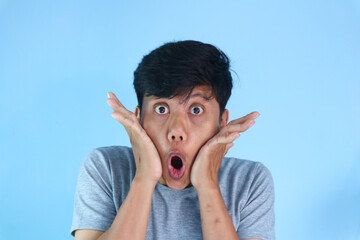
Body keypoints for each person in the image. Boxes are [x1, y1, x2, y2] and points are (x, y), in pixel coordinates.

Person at [70, 40, 275, 240]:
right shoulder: (105, 167)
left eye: (196, 110)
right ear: (139, 119)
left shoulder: (250, 180)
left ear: (222, 121)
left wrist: (208, 186)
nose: (176, 131)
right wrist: (144, 179)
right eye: (161, 109)